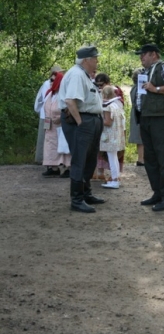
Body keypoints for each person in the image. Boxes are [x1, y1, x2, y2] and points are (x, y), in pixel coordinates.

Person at [135, 43, 164, 212]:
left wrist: (155, 88)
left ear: (153, 55)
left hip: (162, 118)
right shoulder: (144, 72)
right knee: (151, 159)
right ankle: (158, 194)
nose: (141, 57)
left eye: (144, 54)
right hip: (147, 117)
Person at [58, 45, 105, 213]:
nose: (97, 61)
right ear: (86, 60)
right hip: (83, 120)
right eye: (95, 58)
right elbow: (70, 101)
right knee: (80, 160)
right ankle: (77, 199)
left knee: (89, 159)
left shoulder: (83, 74)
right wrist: (80, 122)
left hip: (90, 119)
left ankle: (86, 193)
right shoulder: (77, 74)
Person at [93, 73, 125, 180]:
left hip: (112, 129)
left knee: (113, 154)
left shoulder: (115, 93)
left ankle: (114, 177)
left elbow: (108, 120)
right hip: (108, 130)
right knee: (103, 152)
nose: (99, 87)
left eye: (101, 85)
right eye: (97, 85)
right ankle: (100, 172)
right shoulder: (99, 93)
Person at [42, 72, 71, 177]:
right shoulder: (49, 94)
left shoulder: (64, 94)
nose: (50, 83)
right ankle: (53, 167)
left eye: (53, 81)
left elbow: (69, 108)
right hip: (50, 125)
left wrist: (60, 118)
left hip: (62, 125)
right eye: (50, 80)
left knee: (65, 145)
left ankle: (69, 167)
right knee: (50, 145)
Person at [34, 65, 62, 164]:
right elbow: (41, 98)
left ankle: (53, 161)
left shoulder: (60, 84)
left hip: (53, 114)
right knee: (46, 137)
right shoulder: (47, 84)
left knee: (52, 138)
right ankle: (43, 159)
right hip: (46, 114)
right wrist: (40, 109)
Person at [100, 86, 126, 189]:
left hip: (109, 136)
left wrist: (98, 121)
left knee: (111, 158)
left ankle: (114, 180)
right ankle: (116, 178)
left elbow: (107, 121)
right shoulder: (116, 105)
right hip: (117, 135)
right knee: (114, 157)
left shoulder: (107, 106)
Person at [128, 68, 144, 166]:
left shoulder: (133, 88)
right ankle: (142, 159)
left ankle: (140, 158)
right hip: (139, 114)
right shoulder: (140, 89)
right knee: (142, 137)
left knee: (139, 138)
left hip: (134, 113)